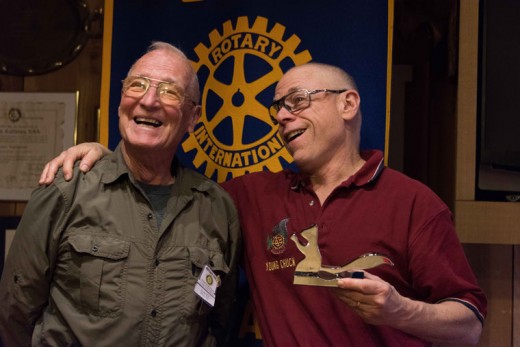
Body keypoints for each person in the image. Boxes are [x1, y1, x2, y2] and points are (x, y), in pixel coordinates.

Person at [38, 62, 487, 346]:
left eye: (297, 101)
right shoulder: (251, 197)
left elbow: (469, 326)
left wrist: (400, 310)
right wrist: (103, 153)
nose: (280, 116)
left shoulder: (411, 202)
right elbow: (161, 178)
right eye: (276, 108)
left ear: (348, 104)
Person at [0, 42, 241, 347]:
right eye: (137, 85)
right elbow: (15, 312)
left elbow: (219, 323)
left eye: (169, 91)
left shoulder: (217, 208)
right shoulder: (66, 190)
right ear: (120, 103)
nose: (149, 100)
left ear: (192, 118)